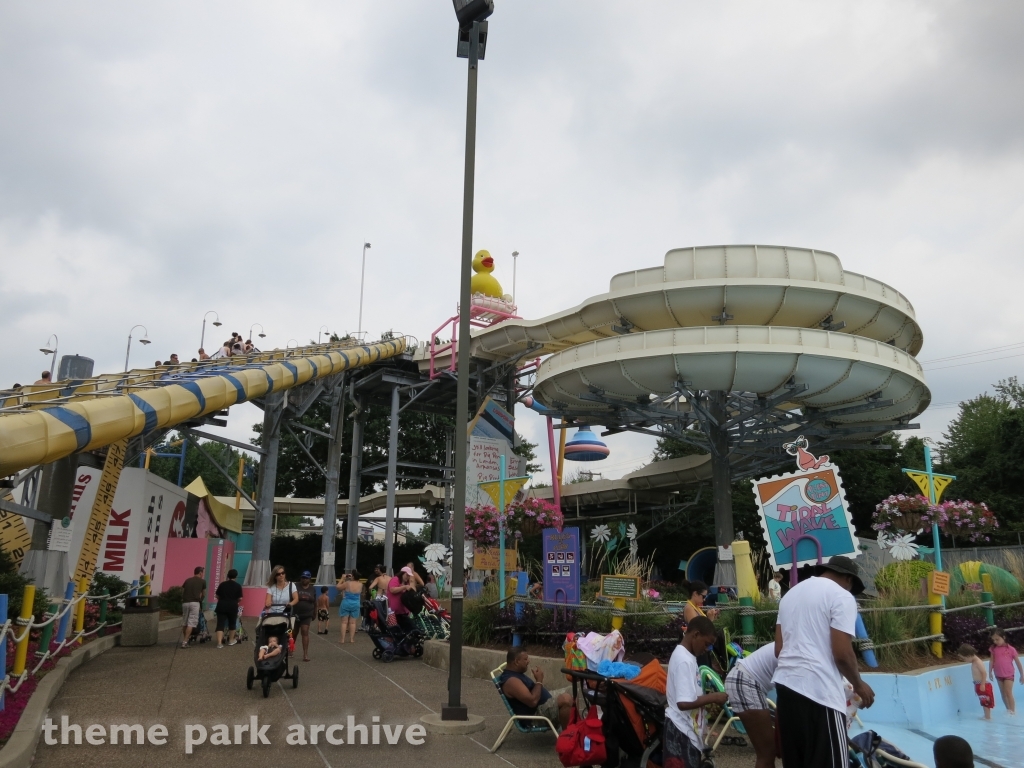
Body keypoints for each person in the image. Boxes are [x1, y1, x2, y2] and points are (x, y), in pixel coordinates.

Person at [774, 555, 874, 768]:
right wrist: (859, 685)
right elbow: (842, 653)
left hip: (785, 689)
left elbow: (779, 650)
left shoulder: (789, 595)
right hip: (819, 694)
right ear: (848, 579)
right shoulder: (842, 596)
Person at [665, 616, 727, 768]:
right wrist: (713, 697)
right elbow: (683, 702)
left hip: (687, 730)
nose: (707, 649)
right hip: (680, 731)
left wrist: (705, 705)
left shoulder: (688, 657)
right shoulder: (683, 660)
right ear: (696, 634)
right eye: (707, 644)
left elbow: (690, 695)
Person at [724, 642, 778, 768]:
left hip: (743, 679)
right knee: (767, 753)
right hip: (745, 681)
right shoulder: (796, 647)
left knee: (768, 753)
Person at [500, 648, 574, 729]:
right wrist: (539, 680)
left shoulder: (515, 673)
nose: (528, 661)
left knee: (573, 691)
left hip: (543, 704)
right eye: (525, 659)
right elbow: (533, 701)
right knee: (566, 699)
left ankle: (575, 727)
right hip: (535, 715)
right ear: (517, 661)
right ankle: (567, 735)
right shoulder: (511, 681)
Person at [988, 628, 1023, 715]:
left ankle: (1013, 711)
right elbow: (992, 660)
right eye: (993, 640)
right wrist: (990, 672)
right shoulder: (993, 649)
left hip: (1008, 674)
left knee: (1008, 692)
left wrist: (1022, 674)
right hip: (998, 674)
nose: (995, 641)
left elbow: (1018, 662)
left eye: (997, 639)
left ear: (1003, 637)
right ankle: (1008, 710)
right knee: (1003, 693)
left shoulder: (1011, 649)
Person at [959, 643, 993, 719]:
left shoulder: (977, 662)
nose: (965, 660)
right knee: (983, 701)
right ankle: (986, 716)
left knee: (985, 702)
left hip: (983, 684)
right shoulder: (974, 662)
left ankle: (988, 717)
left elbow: (984, 673)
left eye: (964, 658)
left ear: (968, 655)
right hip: (979, 684)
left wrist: (983, 684)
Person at [214, 568, 243, 648]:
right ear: (236, 576)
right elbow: (240, 598)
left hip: (221, 606)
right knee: (232, 623)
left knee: (220, 624)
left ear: (228, 575)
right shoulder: (238, 586)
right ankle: (231, 640)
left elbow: (217, 595)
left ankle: (219, 643)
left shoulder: (222, 584)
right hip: (232, 606)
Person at [180, 566, 206, 649]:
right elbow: (203, 594)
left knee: (185, 622)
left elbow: (183, 591)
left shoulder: (187, 580)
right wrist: (200, 600)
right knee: (191, 623)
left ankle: (186, 640)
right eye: (202, 573)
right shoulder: (202, 581)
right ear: (200, 573)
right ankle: (184, 642)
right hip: (195, 603)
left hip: (185, 603)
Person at [293, 571, 317, 661]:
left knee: (305, 631)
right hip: (295, 613)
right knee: (294, 632)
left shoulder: (312, 589)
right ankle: (290, 649)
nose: (304, 579)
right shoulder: (296, 586)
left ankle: (305, 654)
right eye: (303, 577)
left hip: (307, 614)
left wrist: (315, 613)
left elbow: (315, 602)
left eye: (306, 578)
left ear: (310, 579)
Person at [387, 567, 416, 633]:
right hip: (394, 612)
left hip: (403, 611)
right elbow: (392, 590)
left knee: (408, 628)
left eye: (409, 576)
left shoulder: (406, 583)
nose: (407, 577)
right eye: (407, 575)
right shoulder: (395, 579)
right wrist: (404, 587)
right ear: (402, 573)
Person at [338, 570, 364, 643]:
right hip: (356, 603)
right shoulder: (360, 584)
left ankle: (342, 639)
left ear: (352, 576)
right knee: (353, 622)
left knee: (344, 622)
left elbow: (338, 587)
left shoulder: (347, 583)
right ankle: (351, 639)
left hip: (346, 602)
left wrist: (342, 578)